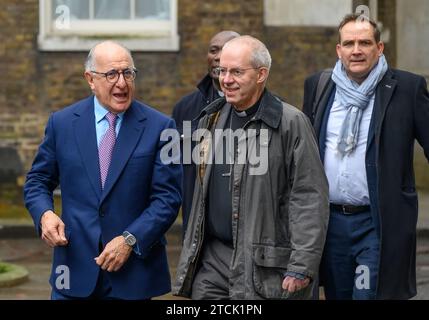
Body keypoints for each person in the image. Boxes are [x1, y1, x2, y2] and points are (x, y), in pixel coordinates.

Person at [173, 35, 329, 300]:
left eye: (236, 71)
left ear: (261, 75)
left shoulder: (290, 123)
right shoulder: (209, 120)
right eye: (222, 70)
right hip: (213, 264)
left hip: (266, 267)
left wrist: (302, 264)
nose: (226, 79)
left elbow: (309, 197)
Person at [24, 41, 182, 300]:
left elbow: (168, 199)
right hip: (72, 272)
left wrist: (130, 239)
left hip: (133, 275)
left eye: (128, 73)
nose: (122, 83)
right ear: (90, 79)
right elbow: (38, 180)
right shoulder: (62, 123)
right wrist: (44, 214)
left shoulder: (162, 127)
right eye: (111, 74)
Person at [302, 14, 429, 299]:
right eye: (349, 43)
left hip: (376, 223)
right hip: (331, 223)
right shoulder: (319, 87)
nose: (356, 50)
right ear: (339, 50)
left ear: (379, 48)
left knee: (367, 295)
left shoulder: (407, 88)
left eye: (364, 42)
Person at [172, 30, 240, 235]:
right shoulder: (185, 108)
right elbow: (176, 171)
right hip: (198, 230)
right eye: (213, 50)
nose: (218, 56)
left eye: (226, 50)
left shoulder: (268, 108)